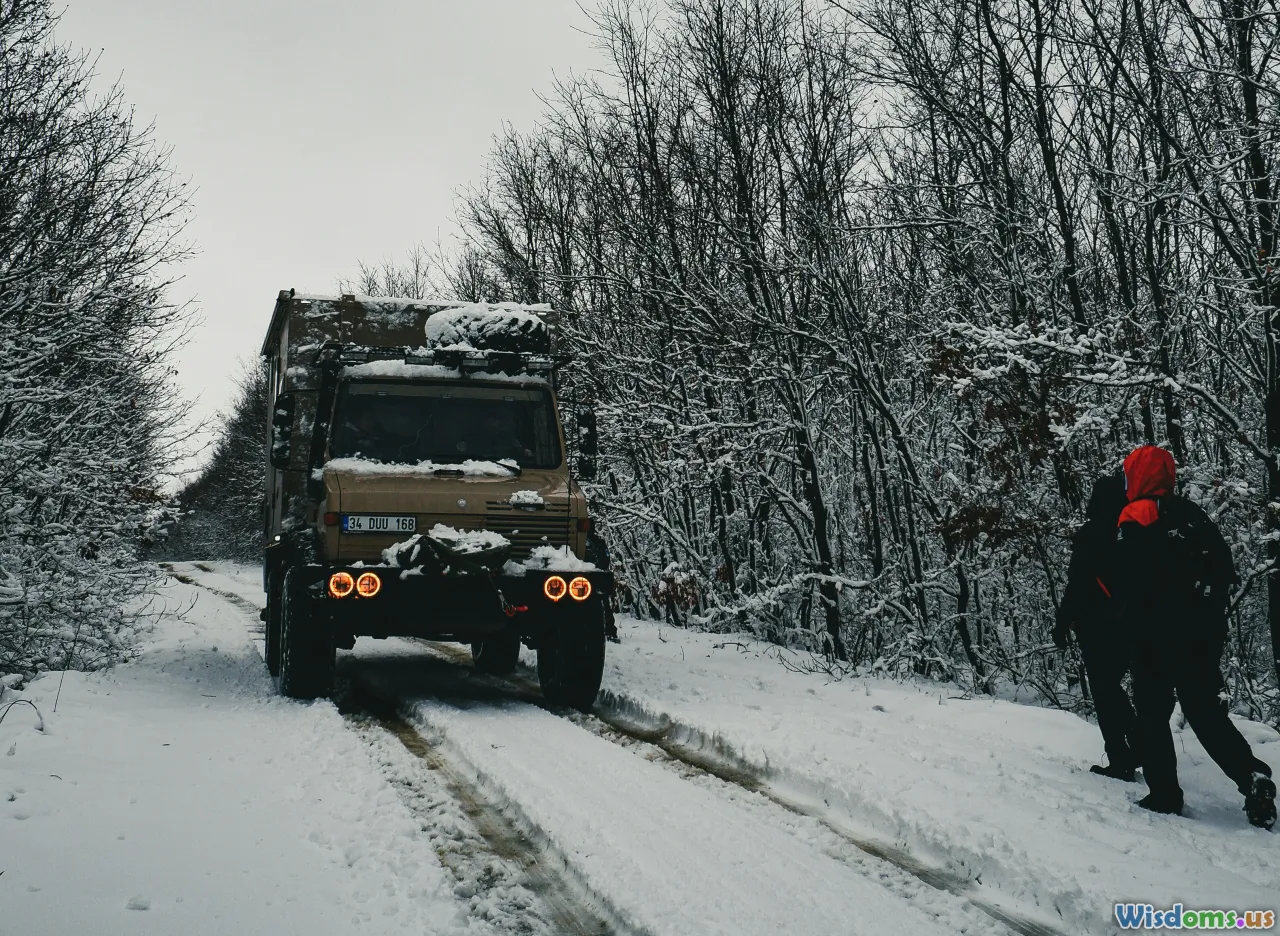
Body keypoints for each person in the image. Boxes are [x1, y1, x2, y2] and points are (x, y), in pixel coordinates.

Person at [1112, 445, 1275, 829]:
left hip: (1155, 636)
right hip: (1201, 634)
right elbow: (1224, 570)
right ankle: (1250, 774)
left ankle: (1165, 795)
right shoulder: (1192, 515)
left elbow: (1128, 580)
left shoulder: (1136, 515)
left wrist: (1123, 628)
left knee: (1152, 714)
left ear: (1138, 476)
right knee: (1205, 713)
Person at [1053, 472, 1139, 781]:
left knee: (1104, 692)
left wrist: (1062, 623)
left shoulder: (1090, 534)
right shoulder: (1132, 532)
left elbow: (1077, 583)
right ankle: (1136, 742)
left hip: (1095, 624)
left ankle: (1123, 756)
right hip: (1130, 622)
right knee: (1111, 687)